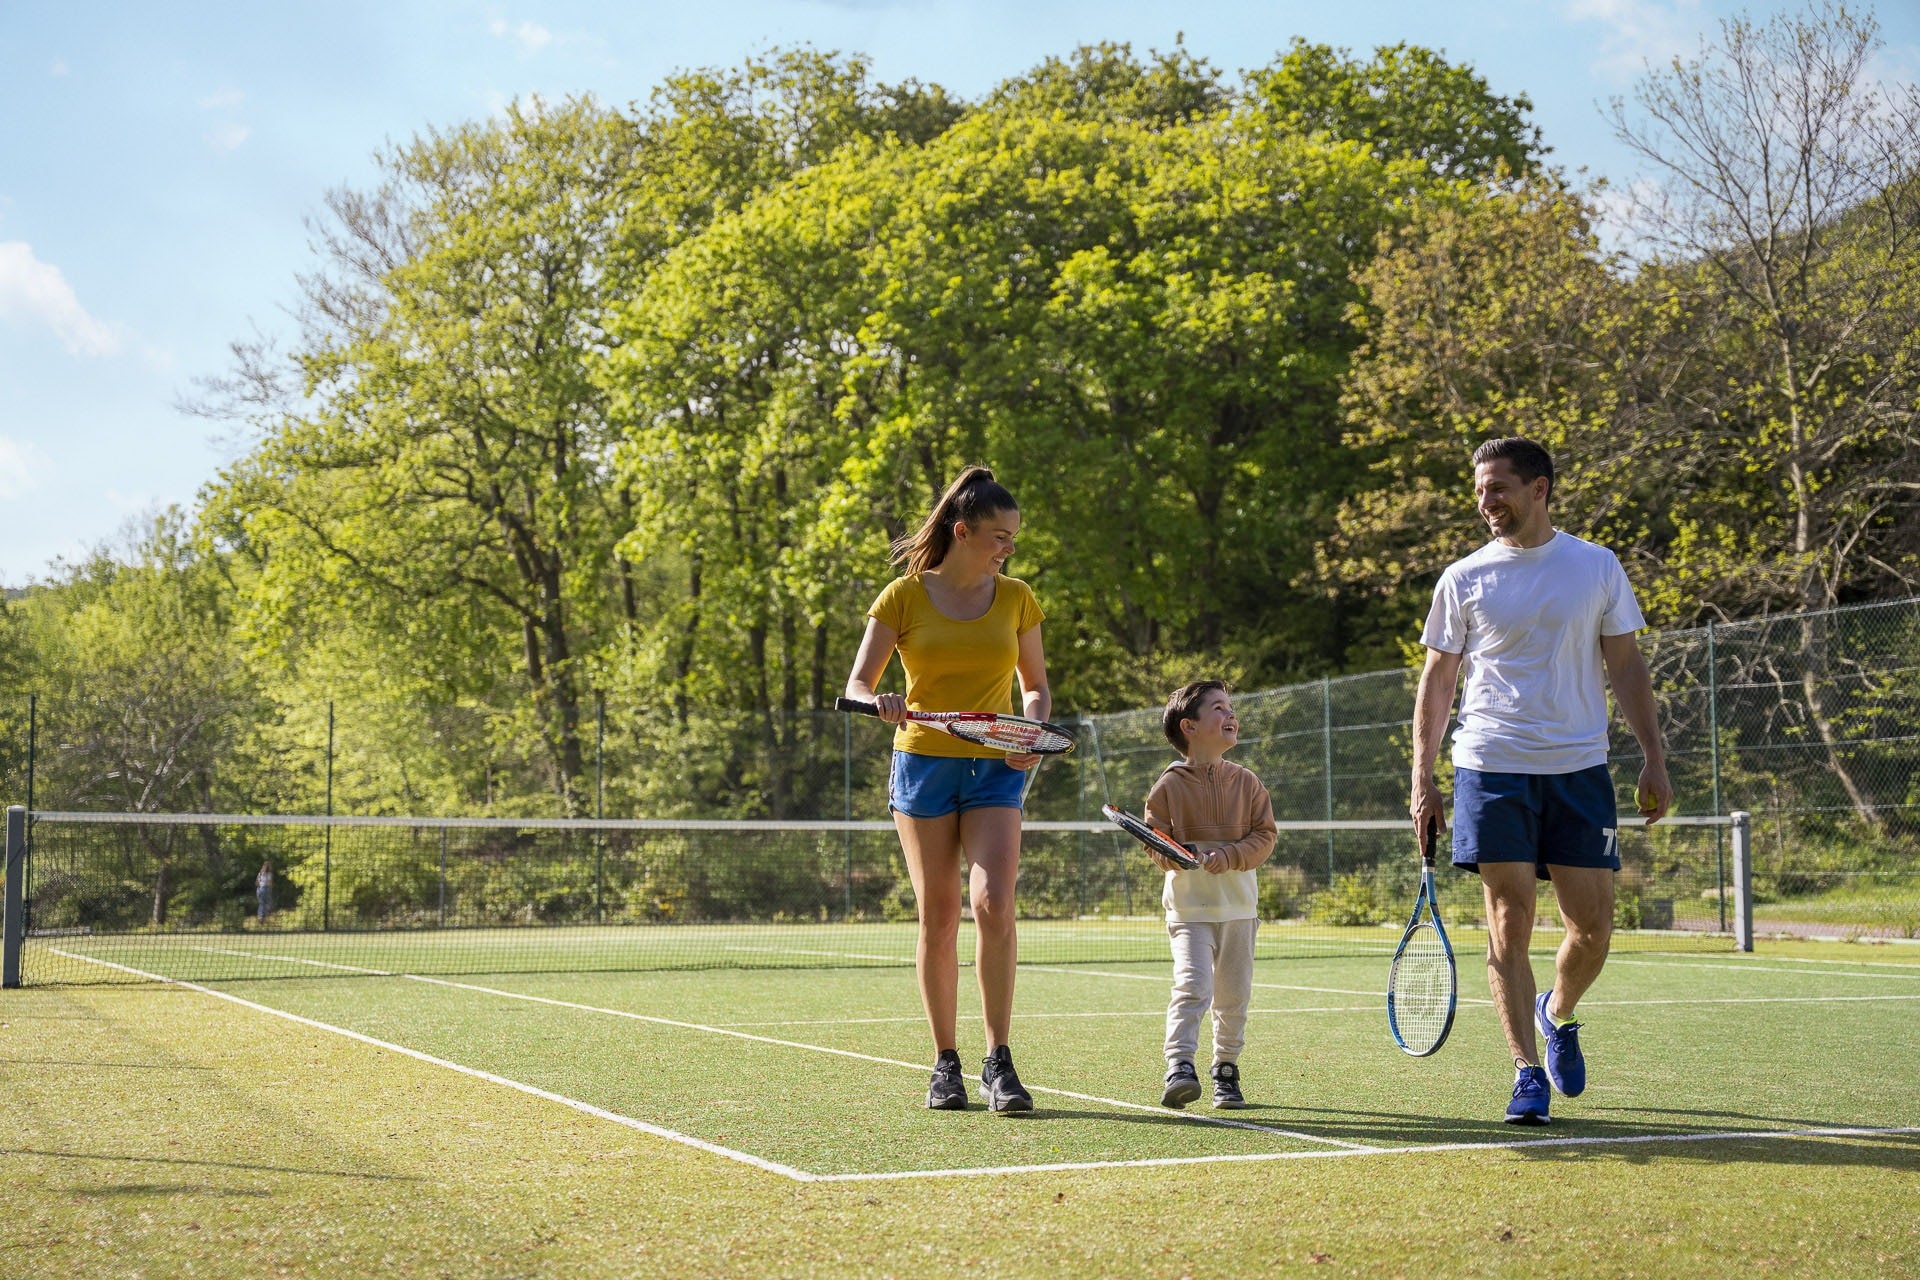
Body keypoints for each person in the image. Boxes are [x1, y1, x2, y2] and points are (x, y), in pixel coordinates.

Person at [1410, 437, 1672, 1126]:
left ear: (1540, 489)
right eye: (1479, 491)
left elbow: (1626, 667)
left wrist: (1654, 755)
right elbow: (1437, 686)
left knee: (1592, 929)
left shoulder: (1596, 566)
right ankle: (1526, 1071)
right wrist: (1423, 780)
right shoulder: (1462, 578)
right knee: (1510, 921)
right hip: (1489, 767)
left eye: (1499, 488)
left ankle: (1556, 1012)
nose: (1486, 502)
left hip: (1579, 770)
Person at [845, 466, 1051, 1114]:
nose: (1007, 548)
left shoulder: (1018, 597)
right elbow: (857, 683)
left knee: (993, 906)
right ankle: (946, 1063)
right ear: (963, 532)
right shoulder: (902, 597)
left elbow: (1036, 688)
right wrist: (877, 700)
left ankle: (999, 1060)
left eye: (1013, 537)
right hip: (923, 767)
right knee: (938, 917)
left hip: (996, 769)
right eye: (998, 535)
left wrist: (1032, 736)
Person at [1143, 681, 1276, 1110]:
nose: (1230, 715)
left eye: (1231, 707)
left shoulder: (1249, 782)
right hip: (1188, 912)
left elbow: (1265, 837)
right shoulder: (1167, 787)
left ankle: (1226, 1069)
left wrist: (1230, 855)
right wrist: (1178, 858)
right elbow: (1155, 843)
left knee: (1233, 996)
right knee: (1192, 985)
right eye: (1219, 708)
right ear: (1190, 726)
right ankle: (1179, 1064)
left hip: (1240, 911)